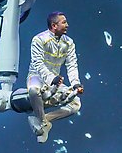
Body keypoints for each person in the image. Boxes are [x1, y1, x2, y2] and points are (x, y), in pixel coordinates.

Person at [26, 11, 84, 143]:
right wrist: (51, 78)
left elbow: (72, 65)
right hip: (37, 76)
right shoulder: (39, 39)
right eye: (64, 22)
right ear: (54, 25)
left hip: (55, 81)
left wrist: (75, 83)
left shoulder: (69, 43)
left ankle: (43, 121)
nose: (67, 25)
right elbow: (38, 63)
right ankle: (42, 123)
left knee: (76, 104)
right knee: (33, 91)